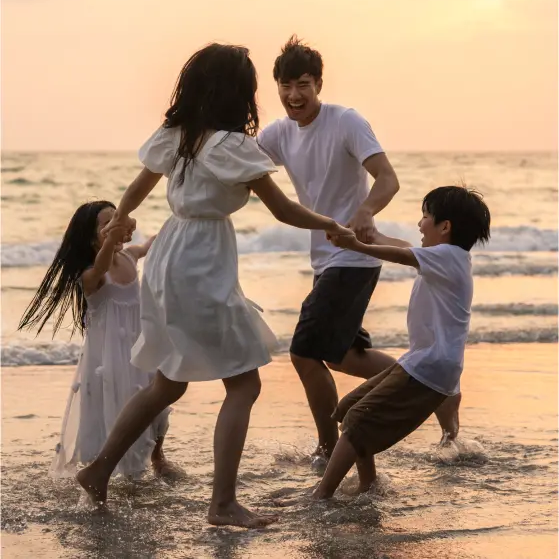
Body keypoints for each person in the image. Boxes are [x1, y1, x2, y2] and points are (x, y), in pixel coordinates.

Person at [75, 43, 353, 528]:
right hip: (202, 260)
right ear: (238, 93)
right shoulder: (233, 146)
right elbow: (284, 210)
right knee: (244, 383)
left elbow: (138, 188)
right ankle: (222, 503)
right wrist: (335, 224)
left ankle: (99, 470)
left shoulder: (178, 135)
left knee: (167, 382)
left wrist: (121, 219)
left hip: (169, 258)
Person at [258, 35, 405, 465]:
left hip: (354, 255)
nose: (293, 96)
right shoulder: (280, 134)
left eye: (303, 84)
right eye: (285, 86)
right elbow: (239, 164)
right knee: (344, 356)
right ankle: (424, 384)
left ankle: (327, 447)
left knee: (304, 351)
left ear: (318, 84)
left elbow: (387, 178)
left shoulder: (346, 121)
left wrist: (365, 210)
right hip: (325, 261)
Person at [304, 186, 491, 500]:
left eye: (426, 216)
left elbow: (401, 254)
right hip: (421, 361)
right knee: (348, 411)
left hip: (430, 367)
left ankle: (322, 496)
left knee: (358, 421)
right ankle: (369, 486)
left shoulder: (447, 257)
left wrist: (357, 245)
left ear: (445, 227)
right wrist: (365, 235)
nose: (420, 224)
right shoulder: (448, 257)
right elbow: (402, 245)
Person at [18, 201, 175, 479]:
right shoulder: (90, 275)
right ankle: (109, 467)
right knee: (118, 405)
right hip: (110, 357)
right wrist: (114, 235)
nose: (117, 226)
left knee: (157, 398)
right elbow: (102, 264)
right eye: (107, 225)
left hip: (141, 344)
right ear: (91, 237)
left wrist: (179, 217)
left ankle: (157, 455)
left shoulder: (129, 257)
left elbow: (150, 245)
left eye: (118, 219)